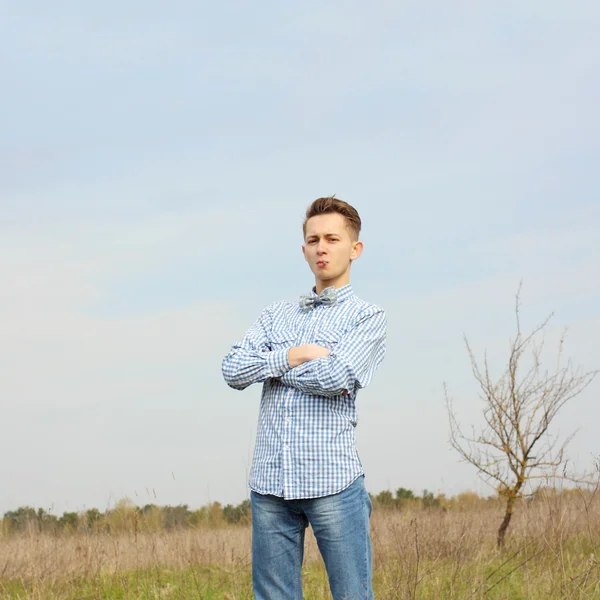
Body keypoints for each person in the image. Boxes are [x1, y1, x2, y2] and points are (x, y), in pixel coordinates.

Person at [222, 197, 386, 599]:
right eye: (314, 240)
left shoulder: (367, 317)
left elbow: (338, 375)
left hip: (332, 480)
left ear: (355, 249)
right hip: (270, 485)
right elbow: (232, 369)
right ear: (304, 249)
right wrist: (294, 355)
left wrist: (271, 367)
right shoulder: (275, 315)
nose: (322, 247)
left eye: (332, 238)